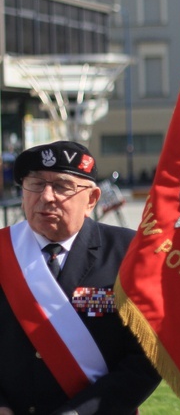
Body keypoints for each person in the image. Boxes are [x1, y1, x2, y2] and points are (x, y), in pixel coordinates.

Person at [0, 141, 160, 415]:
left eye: (61, 186)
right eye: (36, 184)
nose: (46, 197)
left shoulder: (128, 252)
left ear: (92, 199)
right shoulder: (4, 250)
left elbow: (148, 356)